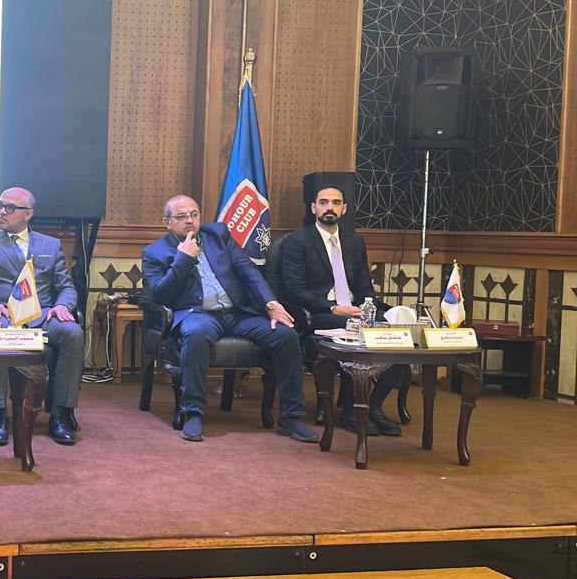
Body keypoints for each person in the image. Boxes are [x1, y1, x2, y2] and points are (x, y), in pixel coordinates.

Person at [142, 195, 318, 443]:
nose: (190, 220)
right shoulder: (154, 253)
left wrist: (271, 304)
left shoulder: (218, 235)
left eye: (194, 214)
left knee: (285, 335)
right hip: (198, 313)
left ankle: (291, 416)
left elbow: (247, 271)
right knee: (196, 333)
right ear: (167, 222)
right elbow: (159, 294)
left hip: (237, 312)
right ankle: (193, 412)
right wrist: (183, 260)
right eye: (181, 216)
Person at [0, 187, 83, 446]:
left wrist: (63, 306)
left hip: (41, 316)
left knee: (73, 333)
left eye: (10, 207)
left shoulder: (50, 245)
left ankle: (60, 414)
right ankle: (0, 416)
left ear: (28, 214)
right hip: (3, 315)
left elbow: (66, 287)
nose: (1, 211)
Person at [280, 186, 407, 436]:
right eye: (324, 202)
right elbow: (294, 291)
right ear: (313, 208)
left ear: (344, 209)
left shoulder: (355, 242)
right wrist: (335, 308)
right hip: (321, 313)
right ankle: (351, 413)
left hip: (356, 311)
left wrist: (367, 308)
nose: (330, 207)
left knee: (398, 334)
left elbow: (364, 286)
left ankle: (374, 407)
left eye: (336, 203)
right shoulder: (297, 241)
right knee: (358, 337)